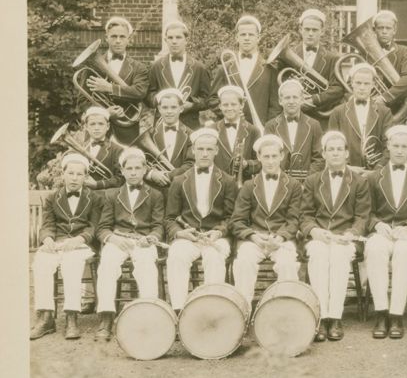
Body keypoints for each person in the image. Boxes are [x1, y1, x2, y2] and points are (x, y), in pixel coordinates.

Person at [298, 131, 370, 342]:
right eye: (331, 149)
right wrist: (314, 231)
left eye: (340, 149)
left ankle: (335, 316)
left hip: (345, 238)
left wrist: (352, 233)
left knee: (339, 256)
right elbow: (305, 215)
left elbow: (362, 215)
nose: (336, 153)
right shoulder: (312, 181)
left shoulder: (359, 181)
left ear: (347, 153)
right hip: (320, 237)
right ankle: (320, 316)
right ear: (324, 154)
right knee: (318, 254)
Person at [365, 124, 407, 339]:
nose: (400, 150)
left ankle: (396, 315)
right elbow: (367, 211)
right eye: (396, 146)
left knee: (403, 253)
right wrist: (377, 224)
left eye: (404, 146)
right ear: (388, 147)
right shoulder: (374, 177)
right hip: (383, 231)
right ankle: (381, 312)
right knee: (375, 249)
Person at [94, 147, 165, 341]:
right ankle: (106, 318)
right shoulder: (111, 195)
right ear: (122, 171)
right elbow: (102, 228)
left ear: (144, 170)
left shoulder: (156, 195)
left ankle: (149, 315)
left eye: (137, 168)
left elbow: (159, 226)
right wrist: (113, 238)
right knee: (107, 264)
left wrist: (151, 238)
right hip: (118, 240)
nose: (133, 172)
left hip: (143, 241)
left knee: (146, 265)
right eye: (129, 168)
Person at [163, 128, 237, 312]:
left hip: (216, 237)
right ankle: (179, 311)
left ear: (216, 151)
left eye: (209, 149)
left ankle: (211, 311)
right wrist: (180, 233)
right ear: (193, 151)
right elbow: (170, 218)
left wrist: (219, 231)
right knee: (176, 256)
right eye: (200, 149)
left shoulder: (227, 181)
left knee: (214, 258)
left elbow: (232, 217)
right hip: (189, 238)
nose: (205, 153)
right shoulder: (179, 181)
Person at [30, 153, 99, 340]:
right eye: (71, 173)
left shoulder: (93, 197)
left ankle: (71, 317)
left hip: (81, 245)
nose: (75, 178)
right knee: (41, 263)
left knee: (71, 264)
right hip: (57, 242)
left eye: (79, 174)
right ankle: (46, 318)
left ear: (85, 176)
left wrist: (79, 239)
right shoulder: (53, 197)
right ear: (64, 174)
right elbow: (47, 225)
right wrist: (47, 240)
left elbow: (93, 226)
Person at [228, 134, 301, 305]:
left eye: (274, 156)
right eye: (266, 156)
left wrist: (281, 237)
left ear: (282, 156)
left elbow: (294, 219)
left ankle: (286, 310)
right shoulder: (248, 185)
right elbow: (237, 220)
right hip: (255, 239)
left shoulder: (293, 185)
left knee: (287, 264)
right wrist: (253, 236)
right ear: (258, 157)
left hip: (281, 239)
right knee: (243, 262)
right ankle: (243, 310)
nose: (270, 161)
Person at [81, 16, 149, 144]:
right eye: (113, 36)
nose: (118, 41)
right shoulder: (91, 65)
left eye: (122, 37)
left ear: (129, 39)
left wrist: (109, 88)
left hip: (127, 130)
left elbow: (140, 93)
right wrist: (104, 113)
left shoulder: (139, 67)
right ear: (106, 38)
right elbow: (82, 101)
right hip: (97, 130)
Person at [206, 15, 280, 126]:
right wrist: (229, 113)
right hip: (231, 127)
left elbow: (276, 105)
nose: (246, 38)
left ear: (258, 37)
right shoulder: (225, 68)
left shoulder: (269, 68)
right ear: (237, 37)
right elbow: (212, 99)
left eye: (251, 35)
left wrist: (268, 126)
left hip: (261, 129)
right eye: (243, 34)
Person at [145, 20, 210, 130]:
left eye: (178, 37)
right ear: (165, 40)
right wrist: (160, 101)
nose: (174, 41)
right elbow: (147, 95)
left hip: (190, 124)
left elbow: (207, 99)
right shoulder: (156, 66)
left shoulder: (199, 68)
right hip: (162, 125)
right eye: (170, 38)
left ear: (186, 40)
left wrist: (193, 105)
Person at [326, 63, 390, 172]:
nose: (362, 87)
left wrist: (377, 170)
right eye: (358, 83)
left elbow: (389, 147)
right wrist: (346, 168)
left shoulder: (384, 112)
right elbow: (330, 147)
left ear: (373, 84)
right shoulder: (338, 112)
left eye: (366, 83)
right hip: (347, 173)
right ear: (351, 83)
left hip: (375, 174)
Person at [264, 78, 325, 180]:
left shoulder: (314, 125)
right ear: (280, 101)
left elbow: (319, 159)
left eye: (295, 97)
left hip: (306, 185)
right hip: (279, 182)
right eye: (287, 98)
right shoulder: (271, 126)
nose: (291, 101)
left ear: (302, 100)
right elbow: (267, 157)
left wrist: (307, 182)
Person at [141, 88, 194, 188]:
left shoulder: (192, 134)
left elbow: (191, 164)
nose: (169, 111)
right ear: (159, 109)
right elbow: (138, 159)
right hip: (154, 189)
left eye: (173, 107)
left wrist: (168, 176)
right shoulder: (149, 133)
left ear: (181, 108)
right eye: (165, 107)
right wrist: (151, 174)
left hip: (181, 188)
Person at [369, 9, 407, 114]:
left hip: (395, 107)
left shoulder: (405, 52)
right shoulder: (365, 52)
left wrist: (385, 97)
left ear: (394, 30)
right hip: (369, 107)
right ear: (374, 30)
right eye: (380, 28)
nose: (384, 31)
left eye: (388, 28)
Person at [210, 85, 260, 182]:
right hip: (217, 183)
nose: (229, 108)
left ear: (241, 105)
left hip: (243, 186)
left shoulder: (253, 131)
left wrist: (247, 164)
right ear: (220, 106)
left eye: (233, 104)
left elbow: (260, 162)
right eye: (225, 105)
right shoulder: (211, 129)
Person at [78, 105, 123, 191]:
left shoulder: (117, 150)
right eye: (92, 124)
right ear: (86, 127)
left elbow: (121, 179)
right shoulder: (80, 148)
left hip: (106, 197)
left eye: (101, 124)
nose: (96, 128)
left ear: (108, 126)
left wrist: (98, 184)